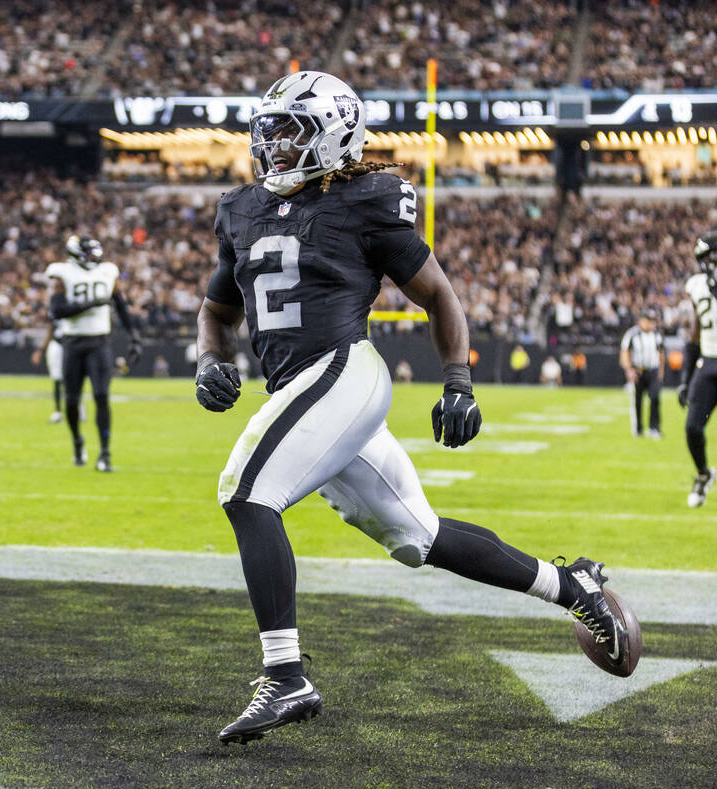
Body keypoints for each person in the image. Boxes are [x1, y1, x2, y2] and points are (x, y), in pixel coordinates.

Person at [194, 71, 634, 745]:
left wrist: (458, 381)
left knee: (247, 491)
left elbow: (438, 295)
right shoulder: (241, 208)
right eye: (269, 132)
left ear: (334, 135)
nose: (275, 146)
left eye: (291, 132)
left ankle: (285, 675)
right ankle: (572, 587)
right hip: (300, 391)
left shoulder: (366, 197)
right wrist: (210, 361)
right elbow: (216, 311)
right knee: (417, 538)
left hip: (343, 371)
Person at [45, 235, 141, 472]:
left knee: (101, 396)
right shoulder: (63, 273)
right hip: (73, 342)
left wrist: (134, 336)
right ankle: (77, 441)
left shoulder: (107, 271)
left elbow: (120, 305)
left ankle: (105, 453)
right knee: (71, 400)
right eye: (88, 253)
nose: (93, 257)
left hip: (99, 342)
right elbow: (56, 310)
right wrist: (90, 304)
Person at [679, 230, 717, 507]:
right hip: (709, 362)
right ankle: (703, 474)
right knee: (693, 428)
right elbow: (695, 331)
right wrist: (686, 376)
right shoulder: (696, 285)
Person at [619, 310, 665, 439]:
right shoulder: (632, 334)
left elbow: (661, 353)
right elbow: (625, 352)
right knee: (637, 401)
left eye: (652, 321)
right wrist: (629, 369)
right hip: (638, 371)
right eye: (648, 321)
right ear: (641, 321)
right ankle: (638, 428)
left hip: (653, 370)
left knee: (655, 398)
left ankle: (654, 428)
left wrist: (661, 372)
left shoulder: (656, 335)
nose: (651, 324)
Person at [31, 318, 84, 424]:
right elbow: (50, 329)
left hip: (72, 343)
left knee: (73, 379)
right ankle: (58, 411)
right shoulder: (55, 311)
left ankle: (78, 407)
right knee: (57, 379)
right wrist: (41, 350)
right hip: (57, 344)